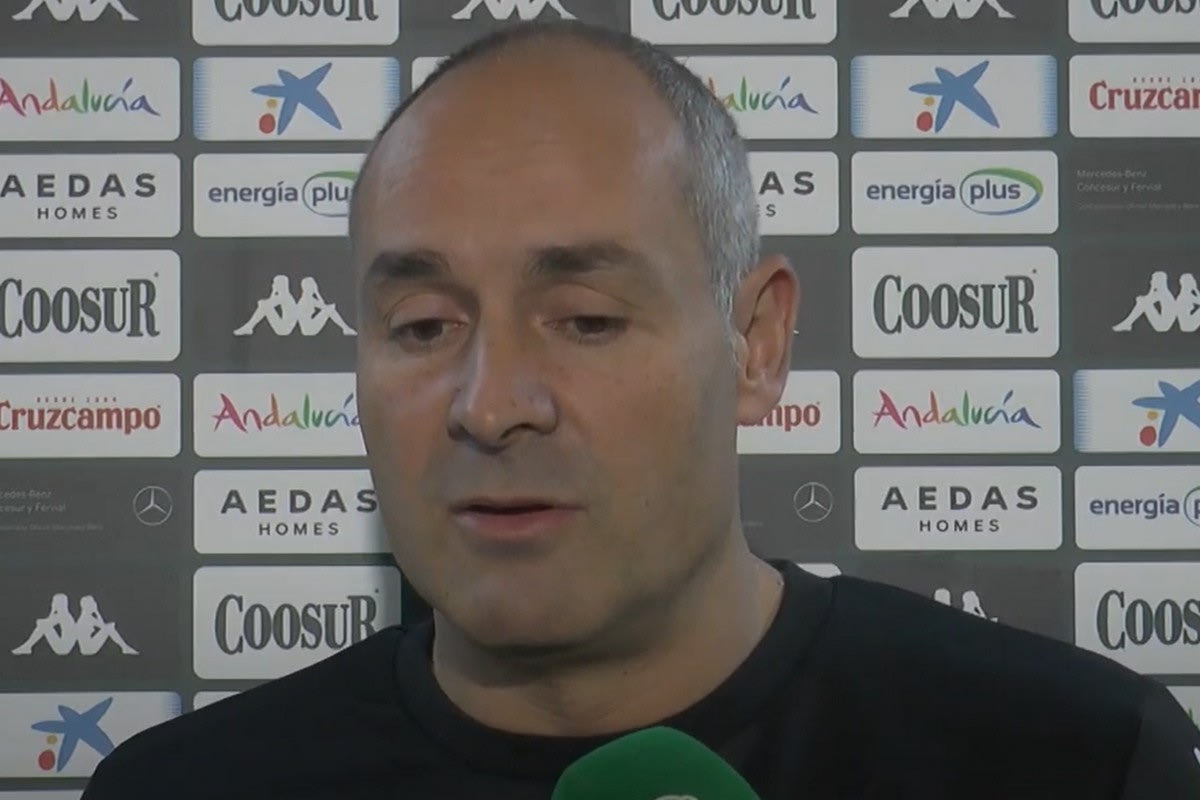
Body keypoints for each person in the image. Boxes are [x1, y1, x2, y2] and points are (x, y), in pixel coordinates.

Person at [82, 20, 1200, 799]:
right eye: (423, 326)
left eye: (586, 319)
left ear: (757, 343)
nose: (492, 405)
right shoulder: (183, 790)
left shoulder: (1078, 762)